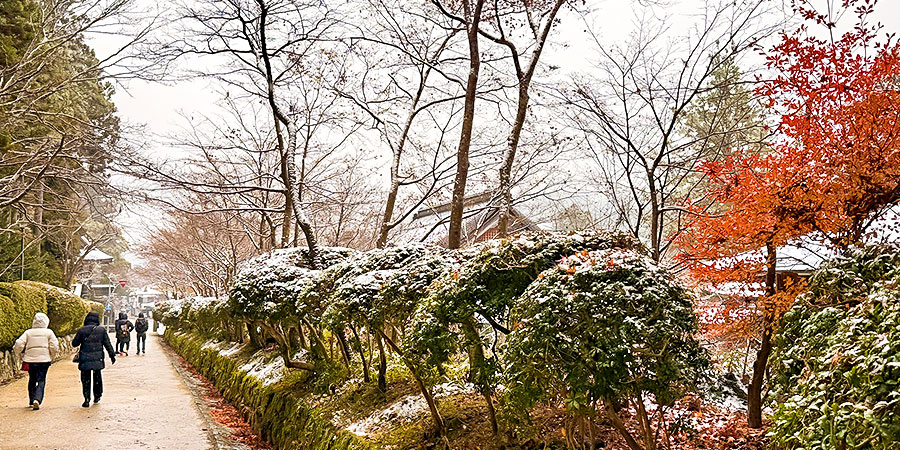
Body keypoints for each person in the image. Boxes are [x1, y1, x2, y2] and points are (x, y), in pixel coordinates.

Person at [13, 312, 59, 410]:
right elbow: (54, 346)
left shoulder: (28, 332)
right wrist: (52, 355)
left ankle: (31, 399)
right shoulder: (49, 332)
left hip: (30, 360)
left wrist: (17, 353)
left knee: (32, 379)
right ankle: (37, 399)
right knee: (41, 380)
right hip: (44, 360)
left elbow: (19, 343)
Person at [72, 312, 116, 408]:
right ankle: (97, 396)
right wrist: (112, 355)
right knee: (97, 377)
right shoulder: (101, 330)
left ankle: (86, 399)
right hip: (97, 357)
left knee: (85, 379)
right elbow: (107, 344)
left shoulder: (82, 330)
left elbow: (74, 343)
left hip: (85, 358)